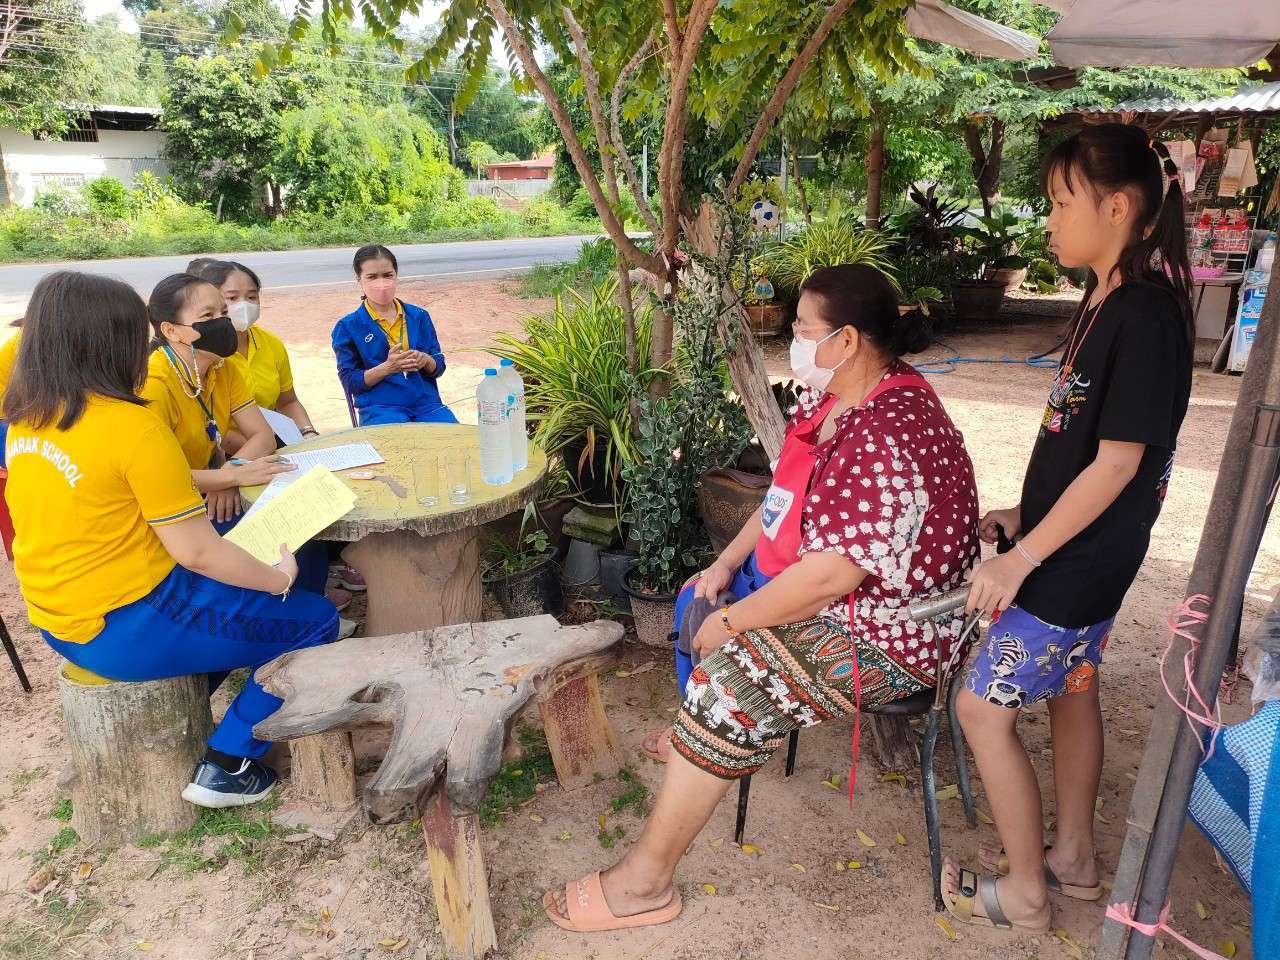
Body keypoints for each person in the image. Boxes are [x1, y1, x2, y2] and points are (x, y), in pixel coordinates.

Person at [545, 264, 980, 932]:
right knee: (705, 620)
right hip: (851, 602)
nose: (794, 340)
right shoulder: (840, 397)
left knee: (725, 688)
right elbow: (786, 497)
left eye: (803, 329)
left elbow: (833, 575)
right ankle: (702, 745)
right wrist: (726, 566)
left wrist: (733, 621)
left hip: (898, 631)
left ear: (848, 340)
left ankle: (643, 885)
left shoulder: (886, 429)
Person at [942, 124, 1194, 934]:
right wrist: (1025, 515)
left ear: (1117, 207)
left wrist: (1022, 558)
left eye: (1060, 203)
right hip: (1075, 546)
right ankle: (1075, 858)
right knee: (1074, 689)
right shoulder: (1104, 299)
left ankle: (1025, 894)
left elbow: (1119, 465)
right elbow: (1082, 444)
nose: (1048, 220)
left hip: (1077, 563)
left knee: (981, 709)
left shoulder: (1144, 315)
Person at [3, 271, 338, 807]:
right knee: (315, 618)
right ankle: (228, 763)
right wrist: (278, 580)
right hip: (127, 621)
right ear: (114, 342)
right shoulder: (132, 427)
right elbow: (198, 552)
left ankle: (201, 688)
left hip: (56, 618)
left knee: (242, 607)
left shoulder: (30, 421)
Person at [140, 273, 331, 601]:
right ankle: (287, 609)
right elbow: (157, 478)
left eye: (223, 313)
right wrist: (228, 478)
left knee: (303, 517)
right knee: (272, 532)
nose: (223, 323)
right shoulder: (153, 386)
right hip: (174, 510)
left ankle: (306, 605)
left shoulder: (222, 368)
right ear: (170, 330)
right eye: (208, 316)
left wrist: (232, 471)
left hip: (211, 483)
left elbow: (262, 436)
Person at [189, 260, 319, 445]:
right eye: (232, 298)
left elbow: (287, 402)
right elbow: (207, 423)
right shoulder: (204, 354)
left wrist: (308, 433)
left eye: (251, 297)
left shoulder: (271, 344)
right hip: (222, 447)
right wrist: (262, 448)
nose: (243, 305)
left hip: (273, 440)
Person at [332, 244, 457, 425]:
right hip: (380, 409)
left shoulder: (419, 316)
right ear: (359, 279)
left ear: (396, 275)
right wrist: (387, 368)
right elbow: (350, 383)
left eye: (387, 275)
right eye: (372, 277)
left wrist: (426, 360)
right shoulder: (347, 327)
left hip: (427, 406)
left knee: (455, 439)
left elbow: (439, 367)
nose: (381, 284)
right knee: (396, 441)